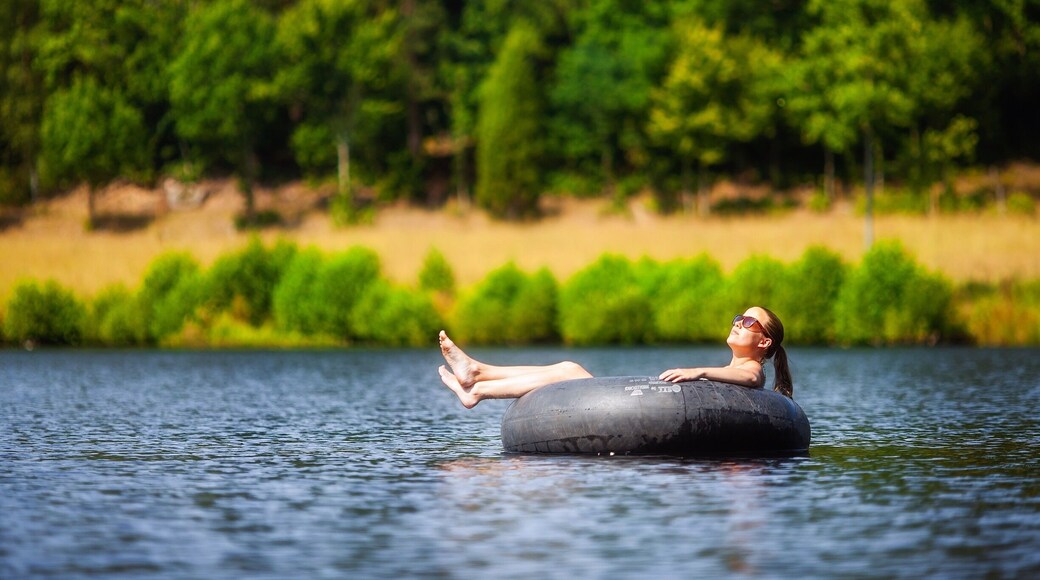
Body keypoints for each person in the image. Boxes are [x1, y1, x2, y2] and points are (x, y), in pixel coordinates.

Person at [437, 305, 793, 409]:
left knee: (570, 371)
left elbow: (751, 380)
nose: (737, 323)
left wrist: (698, 371)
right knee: (566, 367)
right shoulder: (734, 367)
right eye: (737, 317)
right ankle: (478, 374)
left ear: (764, 343)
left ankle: (478, 386)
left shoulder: (751, 371)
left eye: (748, 321)